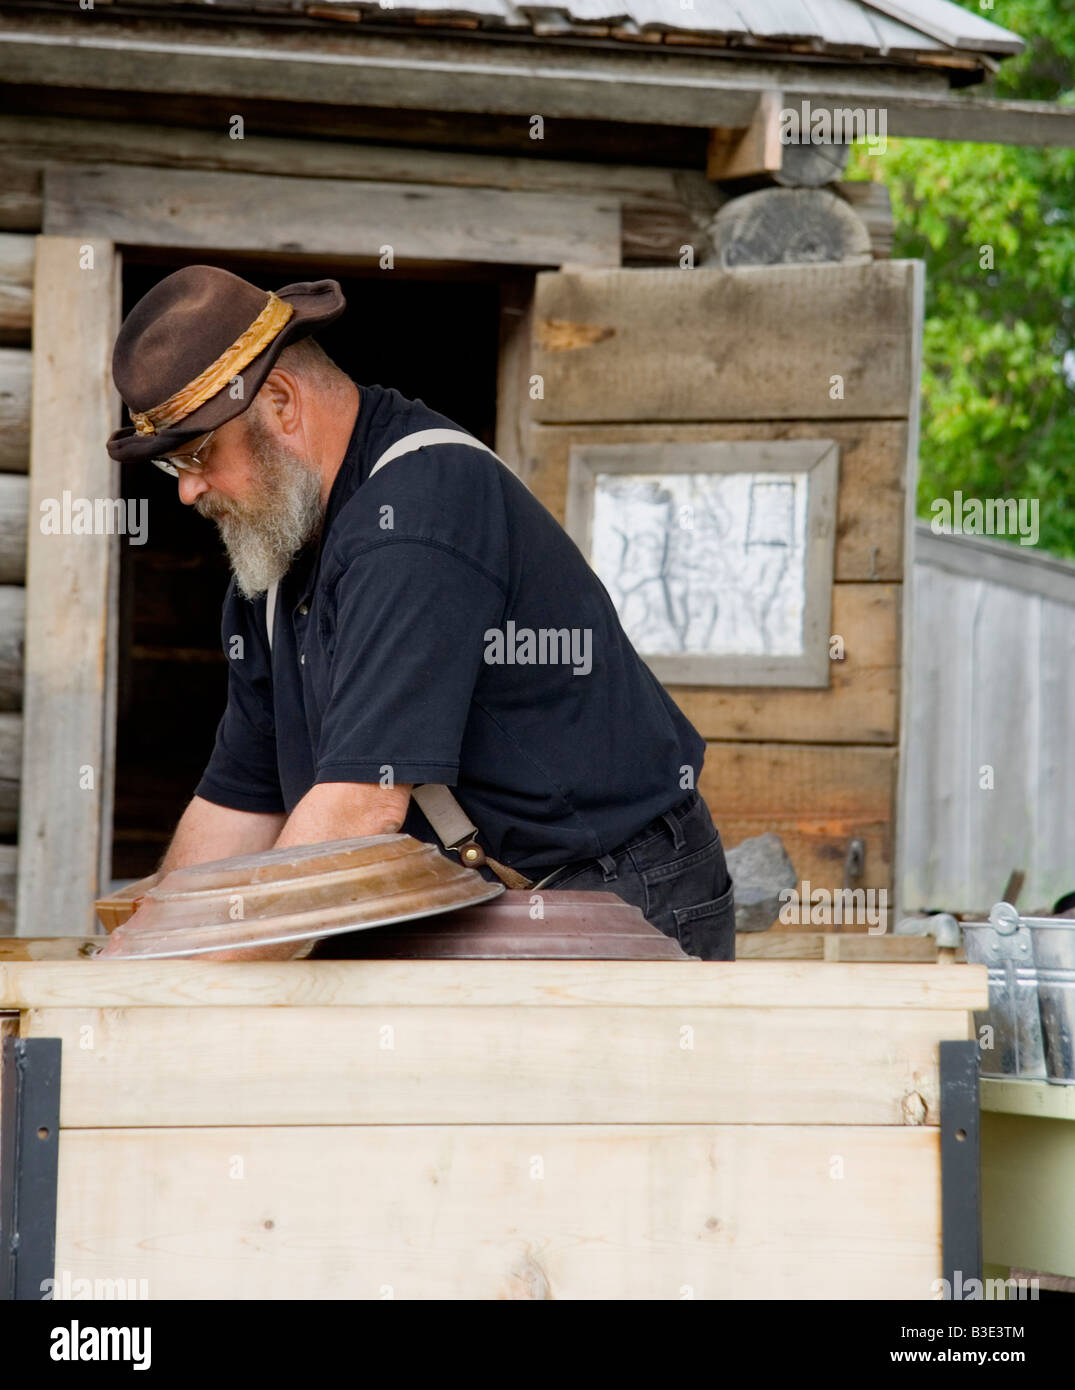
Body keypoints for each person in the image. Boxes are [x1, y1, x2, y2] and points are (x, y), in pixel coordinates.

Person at [106, 265, 735, 960]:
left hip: (617, 889)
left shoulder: (415, 517)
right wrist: (146, 953)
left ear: (281, 403)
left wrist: (182, 993)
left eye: (197, 453)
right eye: (171, 467)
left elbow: (358, 809)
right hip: (485, 895)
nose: (187, 491)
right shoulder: (275, 556)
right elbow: (241, 801)